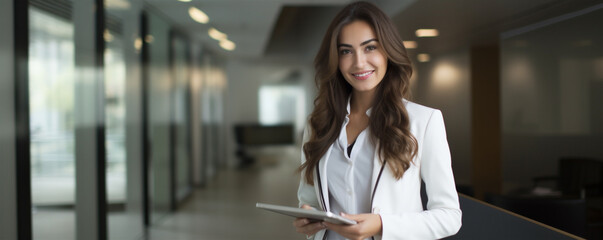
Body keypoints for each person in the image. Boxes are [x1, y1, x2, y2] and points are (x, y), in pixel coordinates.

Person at [293, 1, 462, 239]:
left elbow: (449, 216)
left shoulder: (424, 121)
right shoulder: (318, 123)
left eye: (370, 47)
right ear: (335, 59)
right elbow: (309, 199)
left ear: (388, 51)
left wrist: (383, 225)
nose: (359, 62)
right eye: (346, 51)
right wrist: (306, 216)